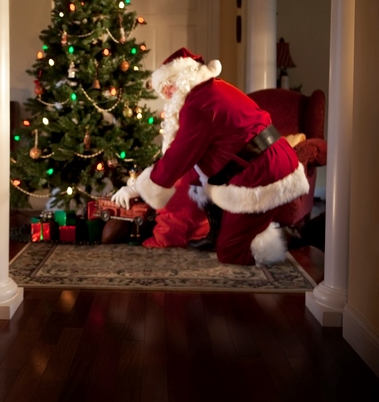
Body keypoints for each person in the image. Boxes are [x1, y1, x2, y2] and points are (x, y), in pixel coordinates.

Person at [112, 48, 309, 265]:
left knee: (229, 253)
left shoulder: (198, 105)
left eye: (169, 85)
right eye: (163, 90)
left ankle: (292, 248)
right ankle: (260, 236)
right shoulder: (215, 88)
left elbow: (177, 159)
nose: (167, 94)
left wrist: (137, 187)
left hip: (261, 172)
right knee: (220, 215)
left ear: (183, 77)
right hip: (268, 161)